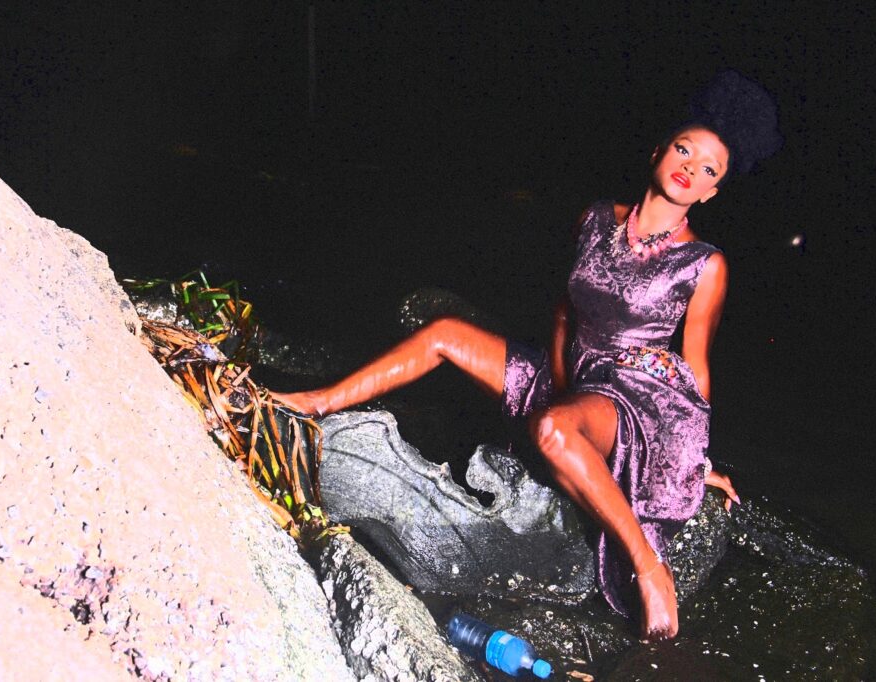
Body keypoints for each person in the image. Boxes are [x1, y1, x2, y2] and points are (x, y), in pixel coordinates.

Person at [272, 70, 782, 642]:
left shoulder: (705, 264)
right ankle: (312, 401)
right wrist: (560, 382)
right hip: (573, 372)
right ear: (659, 149)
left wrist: (695, 463)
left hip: (640, 399)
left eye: (708, 169)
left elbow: (696, 366)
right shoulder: (594, 219)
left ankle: (648, 567)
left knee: (556, 433)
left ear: (711, 192)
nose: (690, 167)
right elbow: (566, 312)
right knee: (444, 331)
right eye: (684, 149)